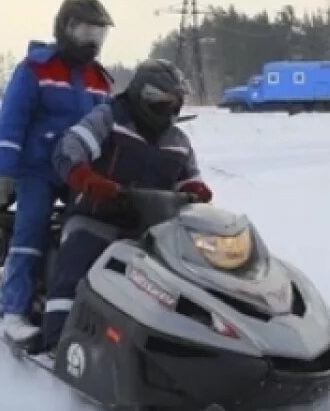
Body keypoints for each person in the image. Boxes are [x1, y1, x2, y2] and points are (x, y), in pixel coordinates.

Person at [41, 58, 213, 352]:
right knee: (77, 259)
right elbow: (69, 149)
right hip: (97, 217)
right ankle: (56, 342)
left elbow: (189, 178)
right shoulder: (109, 119)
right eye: (162, 99)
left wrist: (196, 190)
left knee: (188, 278)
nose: (169, 107)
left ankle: (181, 346)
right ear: (143, 95)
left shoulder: (178, 140)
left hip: (152, 229)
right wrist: (88, 179)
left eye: (175, 101)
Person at [0, 0, 115, 345]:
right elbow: (12, 122)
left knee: (95, 231)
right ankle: (14, 309)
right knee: (31, 227)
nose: (93, 41)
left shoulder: (100, 80)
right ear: (66, 28)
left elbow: (109, 130)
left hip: (80, 171)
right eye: (87, 32)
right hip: (38, 169)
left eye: (99, 34)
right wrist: (3, 172)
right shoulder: (36, 69)